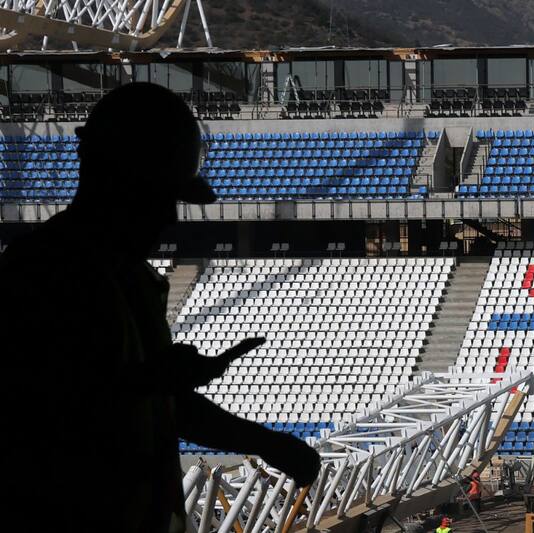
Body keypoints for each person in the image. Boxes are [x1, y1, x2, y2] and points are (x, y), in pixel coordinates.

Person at [0, 82, 320, 533]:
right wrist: (155, 380)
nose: (169, 216)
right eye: (159, 196)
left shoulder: (129, 278)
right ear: (115, 181)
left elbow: (150, 398)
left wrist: (263, 441)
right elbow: (43, 411)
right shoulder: (39, 275)